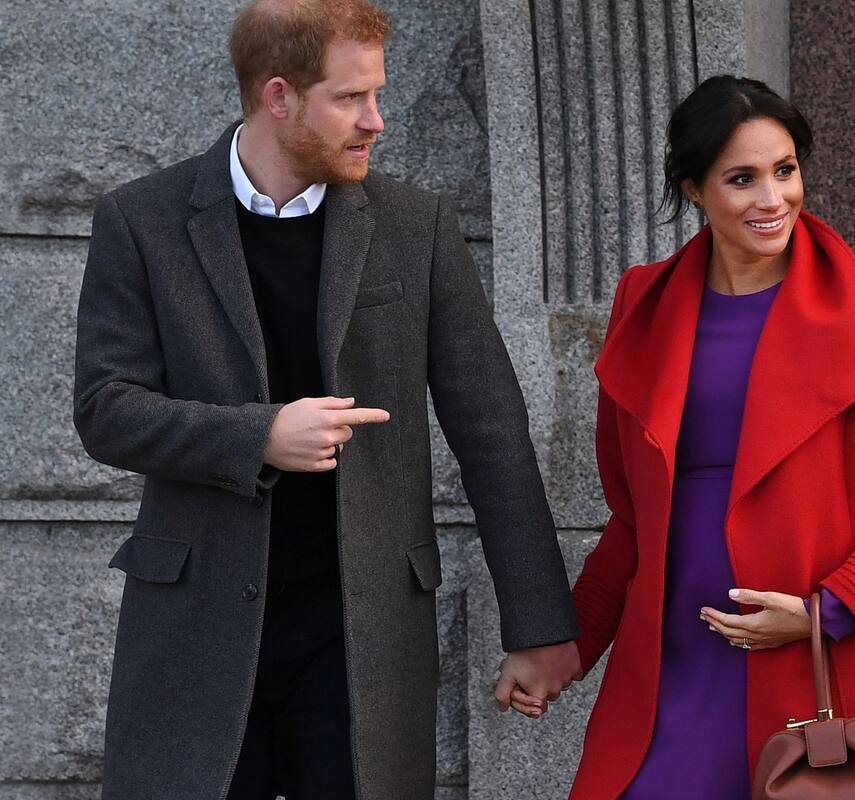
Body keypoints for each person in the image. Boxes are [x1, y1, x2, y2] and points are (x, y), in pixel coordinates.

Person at [73, 1, 578, 798]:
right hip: (196, 630)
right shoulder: (142, 221)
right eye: (351, 98)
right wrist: (258, 436)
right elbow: (106, 406)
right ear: (279, 97)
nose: (376, 120)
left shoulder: (417, 225)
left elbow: (490, 426)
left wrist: (540, 626)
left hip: (363, 636)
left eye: (376, 94)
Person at [504, 75, 855, 800]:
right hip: (676, 667)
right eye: (742, 179)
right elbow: (633, 520)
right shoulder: (644, 302)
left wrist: (828, 611)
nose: (773, 199)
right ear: (693, 188)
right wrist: (570, 644)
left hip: (831, 664)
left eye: (785, 170)